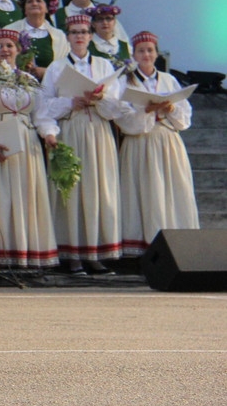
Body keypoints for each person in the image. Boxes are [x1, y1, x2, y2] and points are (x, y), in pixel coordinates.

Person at [37, 14, 127, 275]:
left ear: (90, 36)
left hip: (98, 130)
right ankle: (73, 254)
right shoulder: (56, 68)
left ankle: (94, 253)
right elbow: (43, 106)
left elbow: (116, 107)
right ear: (67, 37)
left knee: (98, 189)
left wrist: (99, 99)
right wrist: (69, 103)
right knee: (72, 191)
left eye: (84, 32)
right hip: (71, 128)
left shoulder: (102, 65)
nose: (79, 36)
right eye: (74, 32)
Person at [115, 32, 198, 257]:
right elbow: (123, 116)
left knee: (171, 191)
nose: (146, 54)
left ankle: (176, 246)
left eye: (150, 50)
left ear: (157, 53)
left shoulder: (168, 80)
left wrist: (172, 109)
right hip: (140, 142)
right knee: (146, 193)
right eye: (141, 50)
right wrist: (145, 111)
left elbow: (184, 116)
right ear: (134, 54)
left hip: (167, 141)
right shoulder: (126, 81)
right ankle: (145, 249)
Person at [0, 29, 58, 271]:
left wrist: (49, 135)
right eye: (0, 45)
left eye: (10, 45)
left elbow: (42, 114)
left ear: (19, 49)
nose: (5, 50)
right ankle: (4, 253)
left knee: (28, 195)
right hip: (1, 137)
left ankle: (29, 252)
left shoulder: (30, 80)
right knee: (3, 195)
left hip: (27, 141)